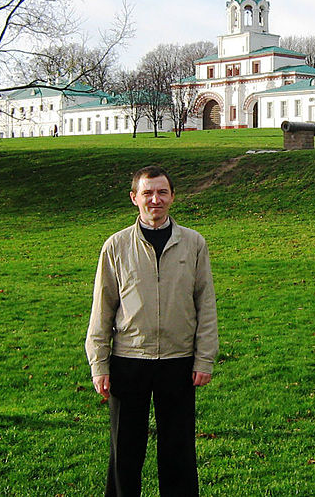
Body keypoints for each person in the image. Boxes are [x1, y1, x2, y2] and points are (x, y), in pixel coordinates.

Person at [86, 165, 218, 497]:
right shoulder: (115, 246)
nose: (154, 200)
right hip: (129, 360)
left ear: (172, 197)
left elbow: (206, 304)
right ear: (134, 198)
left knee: (178, 451)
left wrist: (204, 358)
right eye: (147, 193)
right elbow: (102, 309)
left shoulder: (193, 243)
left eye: (161, 192)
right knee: (125, 452)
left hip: (178, 360)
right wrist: (99, 364)